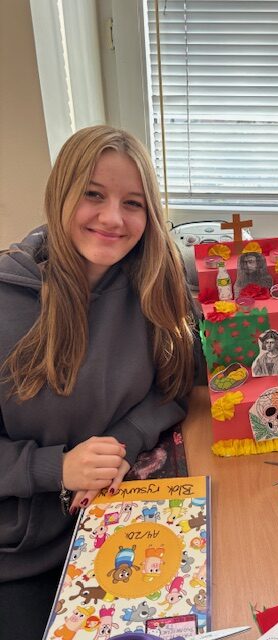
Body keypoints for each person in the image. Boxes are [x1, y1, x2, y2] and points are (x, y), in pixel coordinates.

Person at [0, 125, 203, 637]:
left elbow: (173, 385)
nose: (113, 218)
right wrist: (57, 467)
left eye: (133, 203)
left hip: (120, 520)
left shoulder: (156, 280)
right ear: (61, 194)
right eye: (93, 195)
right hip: (22, 554)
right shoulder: (6, 299)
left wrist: (122, 442)